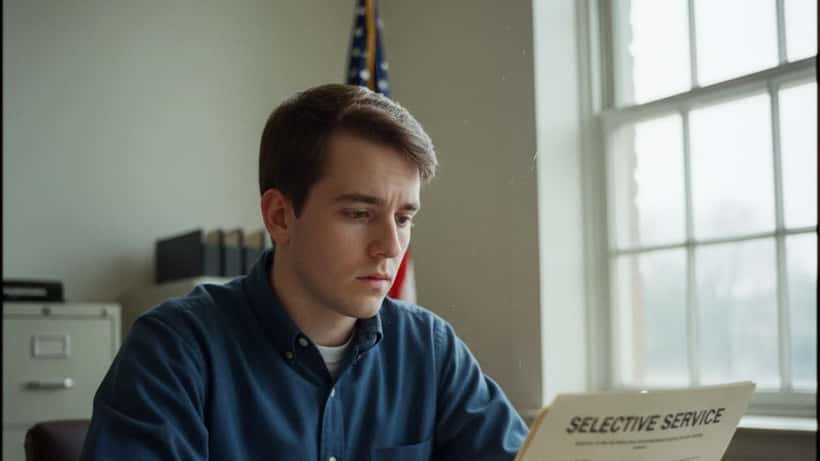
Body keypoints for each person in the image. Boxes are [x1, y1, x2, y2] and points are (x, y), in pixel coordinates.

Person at [80, 84, 528, 460]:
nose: (390, 246)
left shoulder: (429, 350)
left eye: (404, 218)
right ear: (279, 216)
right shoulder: (175, 351)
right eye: (358, 213)